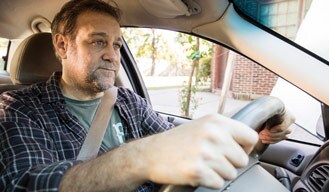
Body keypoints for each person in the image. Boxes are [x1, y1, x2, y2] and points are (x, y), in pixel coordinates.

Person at [0, 0, 294, 191]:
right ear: (63, 46)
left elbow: (177, 142)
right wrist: (140, 158)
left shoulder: (128, 101)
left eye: (116, 44)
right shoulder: (19, 109)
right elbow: (27, 184)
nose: (112, 55)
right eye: (98, 41)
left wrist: (255, 137)